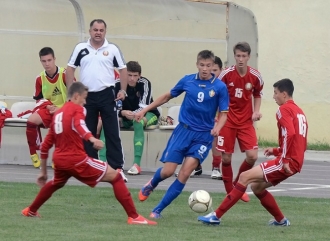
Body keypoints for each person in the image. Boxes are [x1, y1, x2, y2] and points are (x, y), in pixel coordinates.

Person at [21, 82, 157, 226]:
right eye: (84, 98)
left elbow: (46, 145)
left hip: (60, 160)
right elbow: (80, 125)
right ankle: (134, 217)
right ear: (76, 96)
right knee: (116, 177)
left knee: (56, 183)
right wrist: (92, 139)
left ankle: (31, 210)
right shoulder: (77, 109)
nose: (85, 102)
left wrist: (43, 171)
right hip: (76, 159)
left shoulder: (58, 114)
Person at [198, 78, 308, 226]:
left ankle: (215, 216)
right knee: (257, 187)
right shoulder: (299, 112)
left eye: (275, 93)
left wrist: (286, 159)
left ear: (284, 94)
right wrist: (276, 150)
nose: (274, 96)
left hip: (287, 162)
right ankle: (281, 221)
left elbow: (290, 134)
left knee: (244, 177)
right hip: (294, 160)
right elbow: (299, 142)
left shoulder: (283, 109)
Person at [135, 50, 229, 218]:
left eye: (209, 66)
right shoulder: (187, 80)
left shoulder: (220, 87)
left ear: (213, 66)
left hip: (203, 137)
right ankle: (152, 183)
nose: (205, 69)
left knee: (184, 174)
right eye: (202, 65)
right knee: (168, 171)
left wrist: (218, 128)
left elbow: (224, 114)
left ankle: (157, 210)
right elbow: (166, 97)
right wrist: (145, 110)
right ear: (197, 64)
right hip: (183, 131)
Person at [66, 19, 128, 182]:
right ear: (90, 31)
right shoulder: (81, 48)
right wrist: (70, 94)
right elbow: (70, 68)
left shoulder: (112, 49)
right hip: (87, 97)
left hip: (108, 95)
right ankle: (91, 167)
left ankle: (117, 168)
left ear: (105, 32)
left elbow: (123, 69)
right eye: (95, 30)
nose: (98, 32)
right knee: (88, 132)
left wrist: (123, 90)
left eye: (101, 30)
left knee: (112, 132)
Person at [216, 42, 264, 202]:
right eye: (238, 56)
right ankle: (230, 192)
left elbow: (257, 94)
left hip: (245, 123)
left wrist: (256, 111)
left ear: (249, 57)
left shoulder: (255, 76)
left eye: (244, 56)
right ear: (234, 56)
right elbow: (217, 95)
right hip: (227, 121)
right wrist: (217, 117)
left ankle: (237, 184)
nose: (241, 59)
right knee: (226, 159)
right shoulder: (226, 75)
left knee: (252, 156)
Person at [178, 56, 224, 179]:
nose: (208, 71)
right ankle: (195, 167)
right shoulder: (195, 82)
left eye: (214, 70)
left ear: (221, 70)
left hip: (218, 119)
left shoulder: (221, 86)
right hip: (200, 121)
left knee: (215, 136)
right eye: (204, 66)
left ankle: (216, 167)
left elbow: (224, 108)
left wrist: (218, 122)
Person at [26, 47, 68, 168]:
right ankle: (33, 153)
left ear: (54, 59)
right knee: (31, 121)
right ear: (40, 61)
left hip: (64, 110)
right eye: (44, 61)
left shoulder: (64, 74)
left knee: (60, 124)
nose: (47, 63)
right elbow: (38, 99)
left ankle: (57, 157)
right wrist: (49, 106)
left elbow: (75, 97)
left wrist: (61, 109)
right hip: (48, 108)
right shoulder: (39, 78)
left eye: (49, 60)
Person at [115, 61, 160, 175]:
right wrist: (122, 113)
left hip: (148, 114)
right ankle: (104, 162)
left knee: (138, 121)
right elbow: (111, 106)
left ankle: (136, 164)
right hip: (125, 115)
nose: (132, 79)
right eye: (129, 75)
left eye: (135, 76)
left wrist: (131, 114)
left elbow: (144, 106)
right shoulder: (116, 84)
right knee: (108, 122)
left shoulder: (145, 83)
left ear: (139, 76)